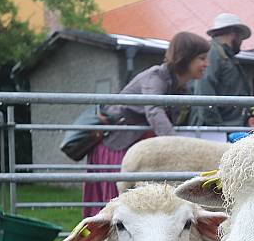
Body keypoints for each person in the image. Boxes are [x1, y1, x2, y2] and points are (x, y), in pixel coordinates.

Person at [82, 31, 210, 217]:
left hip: (138, 149)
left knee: (137, 206)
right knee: (117, 207)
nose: (206, 64)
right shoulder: (155, 77)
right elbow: (154, 110)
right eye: (202, 58)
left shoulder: (178, 86)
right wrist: (179, 147)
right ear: (186, 57)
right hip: (118, 147)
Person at [189, 13, 253, 131]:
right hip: (214, 129)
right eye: (241, 37)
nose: (241, 42)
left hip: (225, 127)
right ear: (234, 32)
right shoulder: (213, 52)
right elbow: (204, 89)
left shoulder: (225, 56)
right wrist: (217, 127)